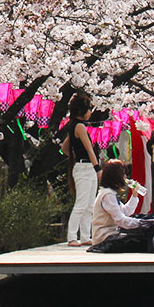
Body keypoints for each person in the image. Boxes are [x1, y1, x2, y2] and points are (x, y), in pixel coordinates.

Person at [60, 94, 101, 246]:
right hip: (85, 167)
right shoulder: (80, 126)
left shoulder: (73, 126)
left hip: (84, 167)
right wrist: (98, 168)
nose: (90, 112)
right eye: (89, 109)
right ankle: (72, 236)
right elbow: (90, 149)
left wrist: (74, 155)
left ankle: (85, 235)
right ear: (82, 111)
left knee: (89, 204)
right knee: (82, 203)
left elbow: (64, 147)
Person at [90, 161, 145, 245]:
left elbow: (125, 212)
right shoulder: (107, 195)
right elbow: (120, 220)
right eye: (123, 174)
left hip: (111, 234)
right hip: (104, 238)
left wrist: (134, 196)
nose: (125, 177)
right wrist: (142, 223)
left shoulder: (111, 193)